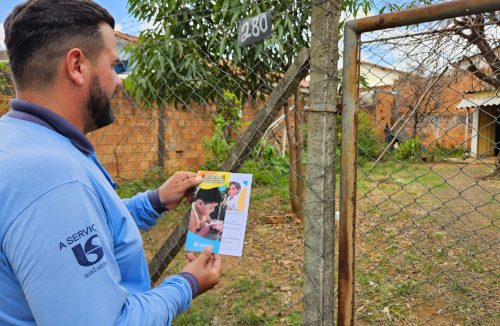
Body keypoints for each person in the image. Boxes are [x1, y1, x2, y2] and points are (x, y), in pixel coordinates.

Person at [0, 1, 222, 325]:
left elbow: (89, 229)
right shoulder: (52, 181)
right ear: (77, 66)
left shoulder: (23, 140)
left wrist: (155, 201)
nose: (119, 81)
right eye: (115, 67)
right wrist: (187, 283)